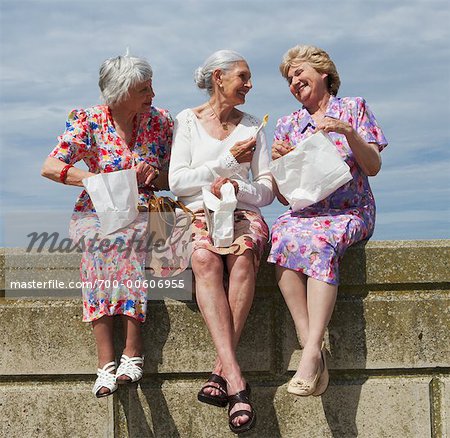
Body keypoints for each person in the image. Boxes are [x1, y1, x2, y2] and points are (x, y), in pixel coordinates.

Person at [41, 53, 173, 398]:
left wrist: (154, 174)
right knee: (100, 243)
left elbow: (177, 174)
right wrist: (95, 178)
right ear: (120, 92)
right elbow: (51, 166)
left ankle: (132, 349)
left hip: (148, 209)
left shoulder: (161, 122)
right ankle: (107, 363)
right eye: (145, 89)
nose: (153, 95)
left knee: (126, 239)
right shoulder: (88, 120)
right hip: (96, 209)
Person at [268, 45, 387, 397]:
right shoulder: (288, 124)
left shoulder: (353, 107)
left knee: (320, 241)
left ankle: (308, 354)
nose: (294, 81)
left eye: (298, 73)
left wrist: (347, 132)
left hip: (350, 210)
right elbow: (284, 198)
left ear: (323, 73)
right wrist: (280, 166)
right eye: (289, 79)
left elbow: (374, 167)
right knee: (281, 234)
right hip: (306, 212)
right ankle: (314, 350)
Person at [169, 49, 273, 433]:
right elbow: (178, 181)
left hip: (243, 212)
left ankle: (221, 372)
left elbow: (265, 191)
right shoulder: (187, 120)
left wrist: (235, 184)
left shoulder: (255, 127)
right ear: (218, 77)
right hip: (197, 214)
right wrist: (227, 162)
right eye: (243, 77)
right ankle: (237, 382)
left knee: (244, 256)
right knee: (204, 259)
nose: (249, 85)